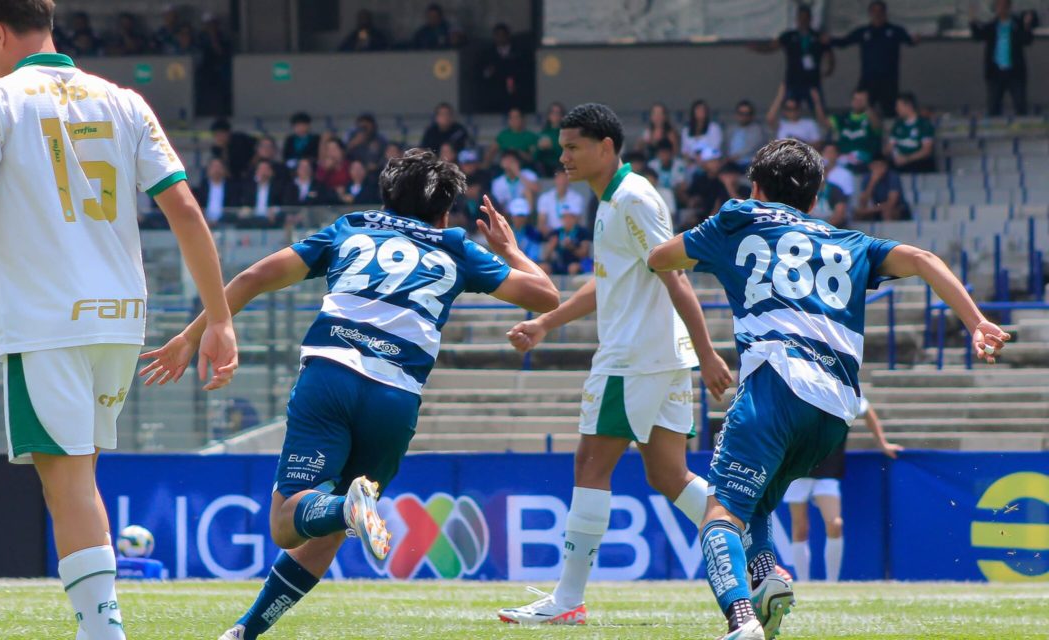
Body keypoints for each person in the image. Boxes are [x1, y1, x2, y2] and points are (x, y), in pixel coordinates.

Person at [0, 2, 239, 638]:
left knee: (65, 484)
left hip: (49, 319)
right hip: (121, 319)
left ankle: (104, 631)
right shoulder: (124, 100)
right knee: (82, 476)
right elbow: (183, 209)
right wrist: (219, 317)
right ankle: (95, 627)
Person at [138, 149, 560, 640]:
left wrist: (192, 337)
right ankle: (244, 633)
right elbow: (547, 296)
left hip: (331, 375)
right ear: (445, 212)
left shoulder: (351, 227)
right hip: (396, 398)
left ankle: (344, 509)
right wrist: (508, 249)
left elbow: (252, 278)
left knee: (290, 521)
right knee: (329, 528)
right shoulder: (456, 248)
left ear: (385, 195)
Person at [647, 138, 1010, 640]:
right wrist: (976, 322)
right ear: (815, 200)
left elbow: (660, 258)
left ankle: (740, 618)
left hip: (775, 381)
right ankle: (768, 578)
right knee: (757, 508)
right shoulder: (852, 243)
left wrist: (712, 233)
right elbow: (925, 259)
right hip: (835, 412)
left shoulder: (737, 219)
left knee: (721, 512)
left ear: (755, 188)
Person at [498, 103, 733, 625]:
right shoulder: (612, 201)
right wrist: (545, 323)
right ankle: (759, 563)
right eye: (562, 148)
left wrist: (710, 349)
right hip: (655, 357)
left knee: (590, 466)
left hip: (633, 359)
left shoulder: (632, 198)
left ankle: (567, 601)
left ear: (606, 148)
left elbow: (676, 275)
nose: (564, 157)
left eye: (573, 147)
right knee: (669, 475)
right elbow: (611, 282)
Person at [785, 400, 901, 583]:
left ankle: (832, 583)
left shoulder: (844, 387)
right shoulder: (802, 384)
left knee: (835, 524)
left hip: (828, 471)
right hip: (797, 470)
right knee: (800, 528)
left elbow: (867, 409)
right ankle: (803, 583)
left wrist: (882, 443)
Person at [828, 1, 918, 116]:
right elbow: (844, 42)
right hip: (868, 79)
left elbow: (909, 40)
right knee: (861, 109)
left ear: (885, 13)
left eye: (880, 11)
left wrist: (915, 40)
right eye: (874, 11)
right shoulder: (864, 32)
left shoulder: (895, 31)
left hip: (888, 80)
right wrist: (829, 40)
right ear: (870, 13)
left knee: (890, 110)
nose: (877, 14)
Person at [753, 5, 834, 111]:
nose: (803, 21)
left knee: (819, 111)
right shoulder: (789, 36)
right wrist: (756, 47)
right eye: (801, 18)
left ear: (810, 19)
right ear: (797, 19)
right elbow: (771, 47)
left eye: (806, 18)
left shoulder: (818, 37)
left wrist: (829, 69)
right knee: (790, 109)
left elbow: (829, 54)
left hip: (812, 82)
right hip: (793, 81)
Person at [970, 0, 1036, 117]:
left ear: (1009, 7)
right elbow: (978, 36)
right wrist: (973, 21)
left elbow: (1027, 40)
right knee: (993, 106)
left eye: (1004, 6)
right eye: (999, 6)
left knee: (1020, 104)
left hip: (1015, 72)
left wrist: (1027, 25)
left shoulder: (1016, 24)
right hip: (995, 72)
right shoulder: (992, 25)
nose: (1001, 9)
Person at [479, 23, 533, 113]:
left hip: (516, 92)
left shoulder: (519, 52)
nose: (500, 38)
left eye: (502, 35)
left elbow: (526, 71)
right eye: (497, 35)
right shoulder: (487, 53)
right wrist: (488, 72)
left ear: (508, 36)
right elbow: (480, 73)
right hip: (494, 93)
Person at [826, 89, 882, 169]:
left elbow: (877, 126)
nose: (858, 102)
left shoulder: (872, 117)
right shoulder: (844, 117)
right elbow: (824, 122)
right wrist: (817, 103)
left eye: (861, 100)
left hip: (864, 160)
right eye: (855, 99)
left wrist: (867, 107)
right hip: (843, 159)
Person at [886, 93, 936, 173]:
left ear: (908, 106)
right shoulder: (898, 124)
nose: (896, 109)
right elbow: (890, 146)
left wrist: (907, 159)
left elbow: (926, 151)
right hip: (899, 163)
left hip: (917, 163)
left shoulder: (923, 124)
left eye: (899, 106)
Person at [855, 155, 908, 221]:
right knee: (857, 213)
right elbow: (863, 202)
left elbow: (892, 203)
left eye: (881, 166)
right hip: (877, 207)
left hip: (898, 208)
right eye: (875, 166)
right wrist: (872, 182)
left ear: (886, 167)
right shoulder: (867, 178)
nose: (878, 169)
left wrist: (870, 210)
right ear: (870, 166)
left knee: (887, 212)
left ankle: (888, 230)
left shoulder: (893, 177)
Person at [536, 168, 586, 232]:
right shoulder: (544, 197)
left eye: (564, 179)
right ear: (555, 180)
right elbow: (541, 222)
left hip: (569, 234)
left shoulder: (577, 198)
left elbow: (576, 221)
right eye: (559, 179)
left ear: (569, 181)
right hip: (551, 234)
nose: (562, 182)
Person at [195, 156, 239, 226]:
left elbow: (233, 208)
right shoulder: (202, 187)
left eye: (219, 167)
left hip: (225, 224)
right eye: (214, 167)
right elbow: (198, 205)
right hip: (205, 223)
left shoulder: (231, 187)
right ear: (208, 170)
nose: (216, 170)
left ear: (224, 170)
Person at [725, 100, 768, 170]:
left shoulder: (757, 130)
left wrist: (733, 157)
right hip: (731, 163)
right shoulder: (731, 129)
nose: (744, 116)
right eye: (741, 113)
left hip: (748, 164)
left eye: (747, 113)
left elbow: (750, 148)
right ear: (736, 114)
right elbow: (724, 147)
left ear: (752, 115)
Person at [682, 100, 724, 164]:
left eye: (703, 109)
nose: (701, 112)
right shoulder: (686, 130)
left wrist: (702, 157)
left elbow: (715, 148)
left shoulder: (714, 127)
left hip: (710, 162)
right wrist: (692, 159)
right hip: (691, 163)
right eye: (698, 109)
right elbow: (684, 150)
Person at [534, 102, 565, 176]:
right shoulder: (543, 133)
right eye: (552, 112)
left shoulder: (566, 133)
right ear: (548, 115)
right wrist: (540, 148)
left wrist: (552, 146)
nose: (555, 115)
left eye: (558, 112)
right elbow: (535, 157)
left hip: (561, 166)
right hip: (545, 167)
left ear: (562, 116)